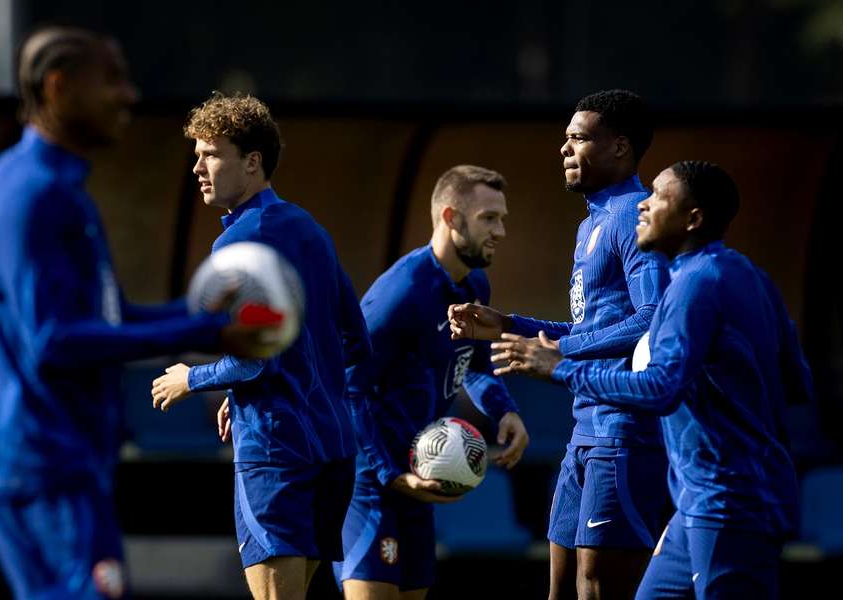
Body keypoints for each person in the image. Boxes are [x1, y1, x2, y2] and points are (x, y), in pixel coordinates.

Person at [0, 26, 258, 600]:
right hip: (39, 464)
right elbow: (54, 340)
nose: (129, 94)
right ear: (59, 87)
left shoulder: (56, 188)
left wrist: (204, 309)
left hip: (60, 464)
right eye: (112, 79)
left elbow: (108, 319)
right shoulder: (29, 192)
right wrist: (210, 331)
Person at [492, 161, 812, 599]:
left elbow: (660, 388)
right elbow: (798, 381)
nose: (643, 203)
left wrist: (560, 367)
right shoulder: (749, 275)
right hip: (697, 502)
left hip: (730, 500)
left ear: (693, 219)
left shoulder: (693, 283)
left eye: (659, 196)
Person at [449, 90, 671, 600]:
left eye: (579, 138)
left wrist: (558, 356)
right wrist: (507, 324)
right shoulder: (591, 222)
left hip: (623, 432)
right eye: (565, 138)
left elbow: (653, 318)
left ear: (619, 147)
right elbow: (593, 326)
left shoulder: (634, 217)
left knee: (597, 587)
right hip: (585, 428)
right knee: (559, 586)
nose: (565, 148)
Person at [149, 93, 371, 600]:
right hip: (333, 452)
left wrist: (192, 379)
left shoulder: (238, 244)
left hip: (275, 453)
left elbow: (255, 360)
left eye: (211, 154)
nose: (197, 167)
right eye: (196, 154)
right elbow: (356, 340)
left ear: (252, 162)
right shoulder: (310, 230)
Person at [330, 165, 529, 600]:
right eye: (489, 218)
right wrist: (389, 473)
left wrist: (503, 410)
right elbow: (349, 388)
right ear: (451, 217)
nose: (501, 230)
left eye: (502, 218)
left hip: (423, 475)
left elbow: (473, 364)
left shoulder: (475, 283)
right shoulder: (399, 295)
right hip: (368, 482)